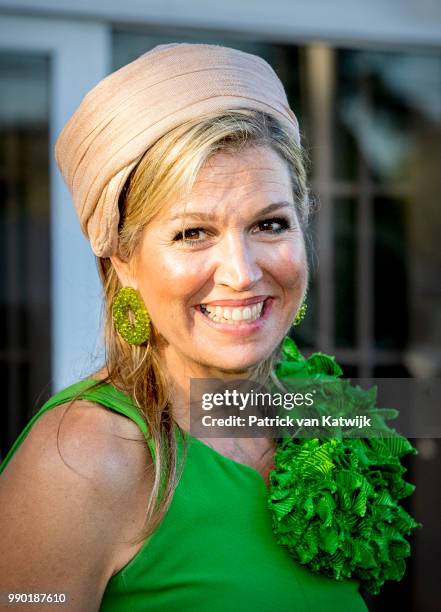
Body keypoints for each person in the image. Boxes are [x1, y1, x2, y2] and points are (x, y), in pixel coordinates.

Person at [0, 43, 415, 611]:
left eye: (269, 224)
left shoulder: (311, 408)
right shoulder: (83, 459)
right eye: (193, 233)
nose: (242, 274)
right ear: (122, 261)